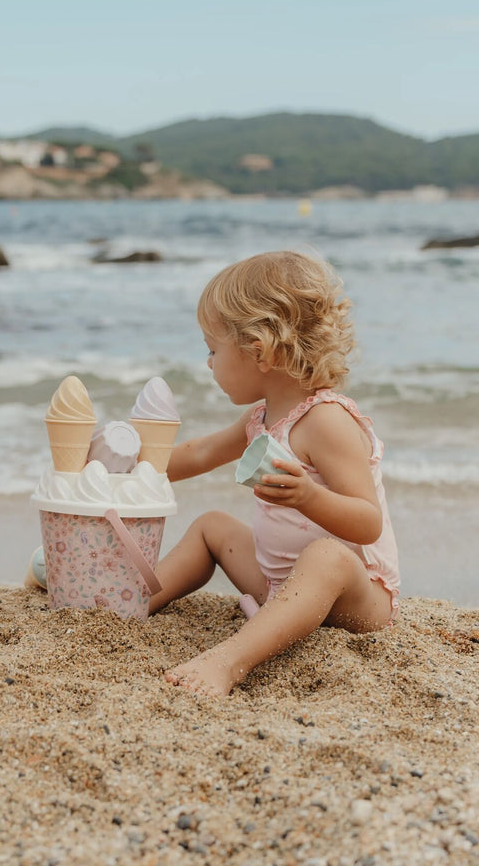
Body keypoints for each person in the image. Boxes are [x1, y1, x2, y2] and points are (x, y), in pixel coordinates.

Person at [151, 251, 400, 696]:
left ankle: (228, 661)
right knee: (212, 526)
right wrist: (136, 466)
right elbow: (203, 451)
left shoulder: (326, 420)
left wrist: (309, 497)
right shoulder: (260, 417)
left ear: (259, 351)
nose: (208, 363)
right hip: (278, 584)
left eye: (213, 349)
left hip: (355, 598)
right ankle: (135, 603)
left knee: (325, 555)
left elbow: (367, 521)